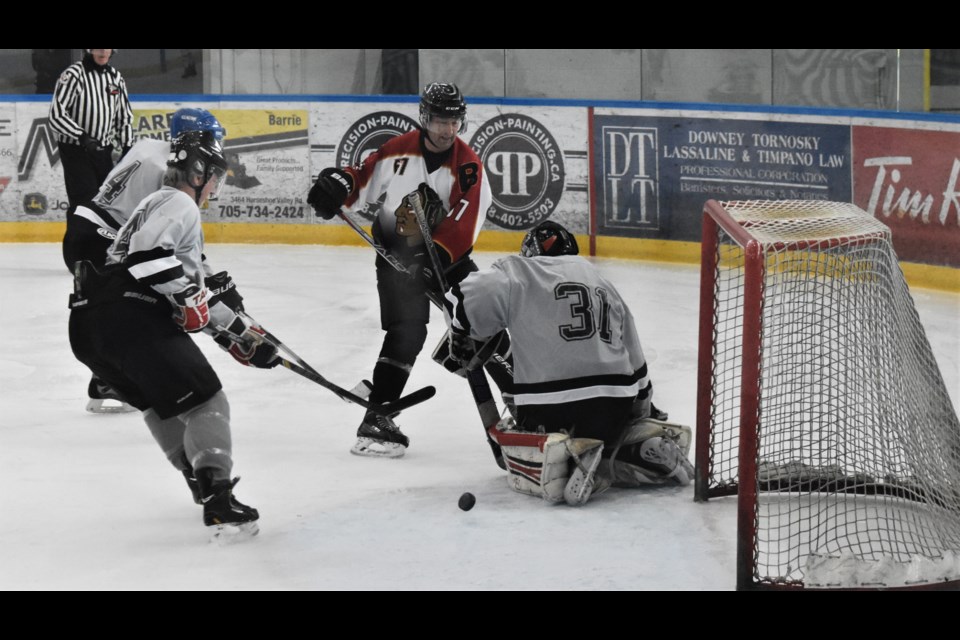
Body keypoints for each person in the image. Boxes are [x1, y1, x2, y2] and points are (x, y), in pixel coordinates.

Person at [68, 130, 278, 540]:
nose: (217, 185)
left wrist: (240, 334)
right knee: (207, 401)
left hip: (90, 325)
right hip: (129, 317)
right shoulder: (179, 201)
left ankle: (201, 482)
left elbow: (189, 290)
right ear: (198, 171)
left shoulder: (149, 205)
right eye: (215, 175)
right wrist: (185, 298)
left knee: (159, 405)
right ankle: (218, 499)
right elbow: (151, 261)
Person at [443, 220, 693, 506]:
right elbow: (633, 350)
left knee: (514, 447)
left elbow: (459, 299)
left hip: (551, 407)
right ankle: (633, 446)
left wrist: (459, 334)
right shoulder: (601, 281)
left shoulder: (517, 271)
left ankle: (570, 455)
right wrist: (643, 407)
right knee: (609, 431)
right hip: (613, 405)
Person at [307, 82, 495, 459]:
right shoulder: (399, 150)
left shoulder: (468, 163)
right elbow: (361, 180)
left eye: (454, 121)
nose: (447, 129)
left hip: (449, 258)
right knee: (407, 330)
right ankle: (378, 416)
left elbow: (467, 218)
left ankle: (524, 404)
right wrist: (339, 186)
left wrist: (435, 258)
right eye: (440, 120)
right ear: (425, 117)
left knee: (483, 319)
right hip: (397, 253)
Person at [63, 107, 227, 413]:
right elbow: (165, 240)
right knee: (145, 299)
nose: (212, 143)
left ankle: (107, 379)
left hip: (82, 228)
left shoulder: (147, 146)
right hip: (105, 236)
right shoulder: (172, 169)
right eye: (207, 137)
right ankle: (120, 380)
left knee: (107, 302)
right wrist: (205, 281)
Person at [49, 49, 133, 210]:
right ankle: (77, 236)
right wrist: (82, 137)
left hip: (103, 152)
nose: (102, 52)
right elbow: (56, 115)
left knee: (106, 204)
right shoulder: (74, 75)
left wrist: (127, 147)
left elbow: (124, 118)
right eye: (98, 48)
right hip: (76, 151)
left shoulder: (115, 77)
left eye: (106, 48)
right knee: (84, 203)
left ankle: (100, 236)